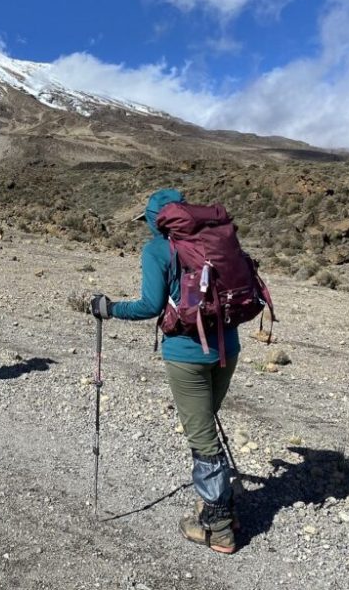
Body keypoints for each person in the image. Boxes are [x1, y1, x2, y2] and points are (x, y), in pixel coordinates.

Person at [91, 188, 240, 554]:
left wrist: (109, 308)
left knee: (201, 437)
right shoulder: (214, 241)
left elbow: (149, 305)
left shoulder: (158, 249)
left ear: (155, 221)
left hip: (187, 354)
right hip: (227, 347)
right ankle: (219, 502)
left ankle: (219, 526)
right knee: (206, 424)